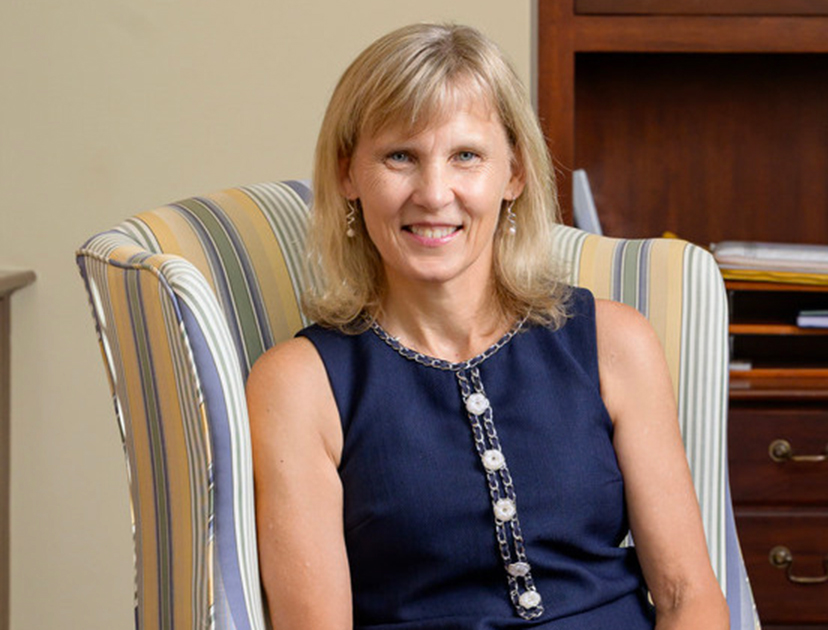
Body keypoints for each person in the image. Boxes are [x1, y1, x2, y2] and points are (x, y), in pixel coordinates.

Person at [246, 23, 728, 630]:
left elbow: (690, 599)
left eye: (466, 156)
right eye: (400, 156)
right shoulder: (298, 385)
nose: (434, 193)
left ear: (515, 174)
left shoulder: (615, 343)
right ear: (348, 175)